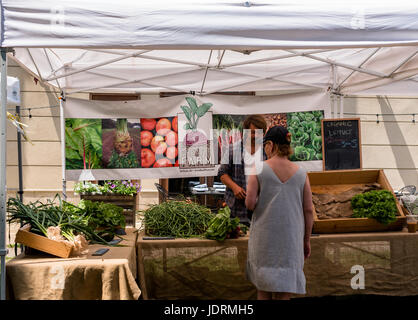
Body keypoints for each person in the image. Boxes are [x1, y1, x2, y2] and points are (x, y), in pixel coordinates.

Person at [245, 125, 314, 300]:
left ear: (270, 145)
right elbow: (308, 210)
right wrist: (306, 240)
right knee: (285, 291)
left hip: (264, 239)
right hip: (291, 239)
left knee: (264, 289)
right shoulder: (301, 173)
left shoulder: (259, 168)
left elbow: (250, 203)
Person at [217, 114, 267, 226]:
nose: (255, 136)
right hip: (236, 210)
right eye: (252, 132)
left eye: (259, 132)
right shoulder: (232, 150)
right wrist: (235, 187)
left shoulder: (267, 153)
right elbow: (221, 173)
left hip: (261, 210)